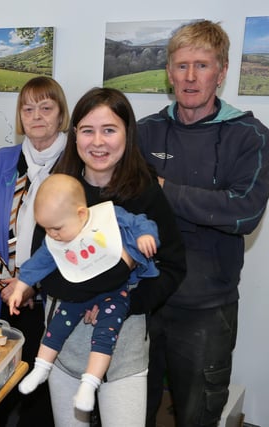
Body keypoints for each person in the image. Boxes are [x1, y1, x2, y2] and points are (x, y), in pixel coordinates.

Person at [138, 20, 269, 427]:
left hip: (205, 310)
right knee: (127, 408)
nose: (190, 77)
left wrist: (162, 188)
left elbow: (243, 213)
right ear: (169, 72)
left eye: (202, 65)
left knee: (197, 414)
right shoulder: (145, 132)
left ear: (222, 71)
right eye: (181, 66)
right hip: (143, 298)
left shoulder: (249, 136)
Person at [46, 87, 186, 426]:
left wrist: (122, 303)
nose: (98, 142)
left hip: (125, 354)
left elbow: (172, 266)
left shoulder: (146, 192)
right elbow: (44, 264)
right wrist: (85, 297)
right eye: (87, 130)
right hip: (66, 350)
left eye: (109, 130)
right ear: (75, 134)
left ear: (127, 133)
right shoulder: (59, 187)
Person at [7, 173, 159, 412]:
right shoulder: (55, 234)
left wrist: (146, 236)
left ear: (81, 214)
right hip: (79, 296)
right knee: (57, 325)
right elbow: (38, 262)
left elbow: (141, 221)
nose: (52, 235)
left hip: (115, 295)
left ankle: (90, 383)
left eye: (56, 229)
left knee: (105, 336)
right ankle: (41, 368)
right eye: (46, 229)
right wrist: (20, 287)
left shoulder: (109, 217)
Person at [0, 76, 70, 426]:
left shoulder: (76, 164)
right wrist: (8, 283)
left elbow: (78, 238)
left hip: (53, 302)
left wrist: (31, 285)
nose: (36, 115)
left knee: (39, 393)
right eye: (28, 108)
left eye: (46, 107)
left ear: (61, 115)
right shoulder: (1, 161)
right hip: (2, 296)